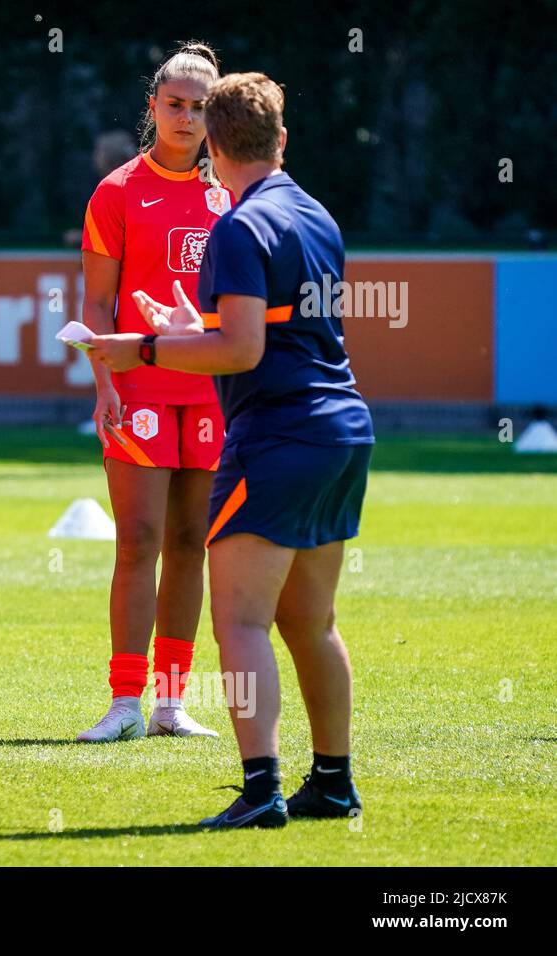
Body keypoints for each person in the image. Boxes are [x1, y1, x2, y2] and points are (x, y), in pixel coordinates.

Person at [89, 72, 373, 828]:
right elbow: (271, 331)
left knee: (241, 622)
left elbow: (242, 352)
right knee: (311, 621)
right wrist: (187, 327)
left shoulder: (238, 227)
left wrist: (144, 349)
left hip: (277, 435)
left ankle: (261, 790)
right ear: (281, 139)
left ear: (212, 147)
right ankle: (335, 782)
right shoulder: (315, 215)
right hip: (342, 429)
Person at [76, 43, 229, 743]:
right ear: (153, 107)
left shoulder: (230, 191)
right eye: (176, 104)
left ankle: (171, 703)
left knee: (192, 540)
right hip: (137, 388)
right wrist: (104, 382)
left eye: (201, 107)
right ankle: (124, 701)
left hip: (211, 395)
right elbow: (99, 304)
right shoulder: (116, 193)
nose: (188, 117)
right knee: (137, 542)